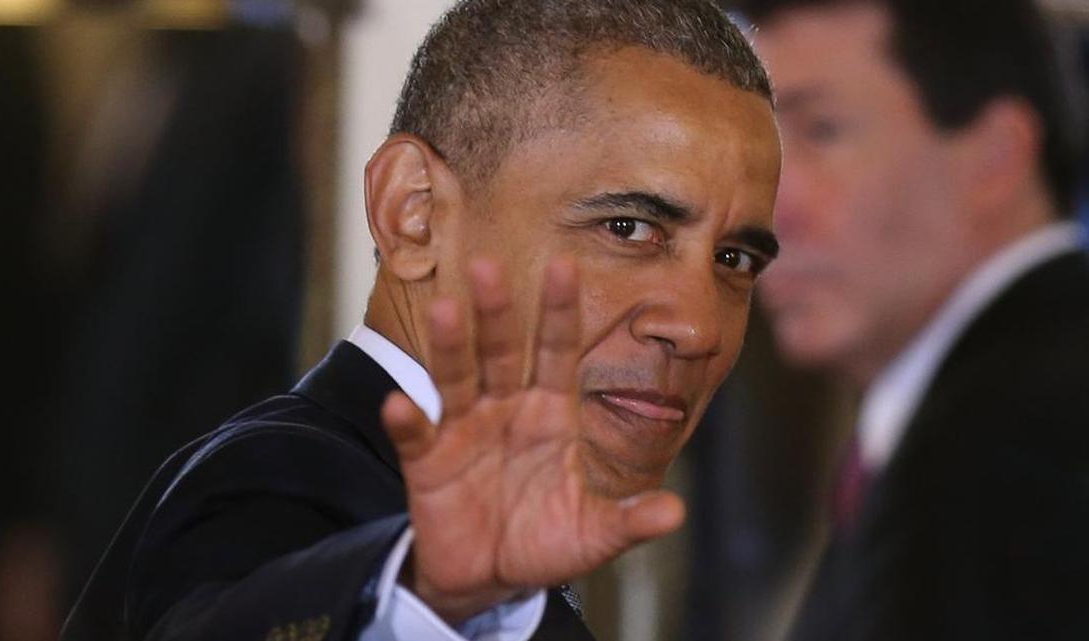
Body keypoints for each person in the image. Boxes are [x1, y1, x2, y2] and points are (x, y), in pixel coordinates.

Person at [60, 1, 782, 640]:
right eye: (627, 227)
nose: (699, 327)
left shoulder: (507, 565)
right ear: (414, 214)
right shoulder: (271, 484)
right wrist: (425, 596)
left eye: (734, 259)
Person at [735, 0, 1089, 639]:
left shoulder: (1035, 437)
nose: (767, 212)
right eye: (762, 146)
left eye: (820, 131)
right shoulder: (974, 410)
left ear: (996, 157)